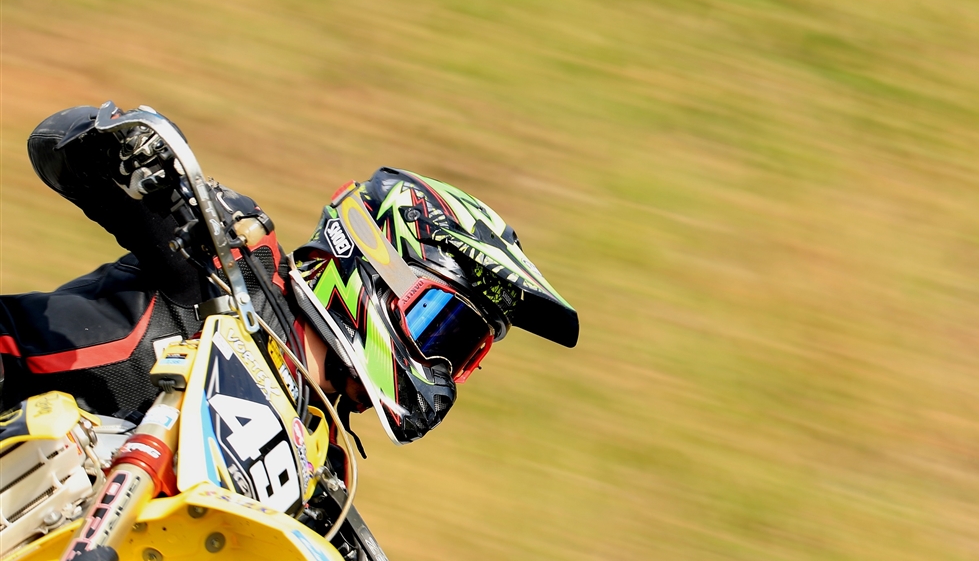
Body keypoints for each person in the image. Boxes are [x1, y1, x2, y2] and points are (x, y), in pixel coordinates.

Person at [0, 103, 579, 447]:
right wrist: (128, 151)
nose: (443, 371)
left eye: (465, 353)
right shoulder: (233, 262)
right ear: (380, 265)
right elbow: (53, 140)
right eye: (444, 329)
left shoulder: (319, 457)